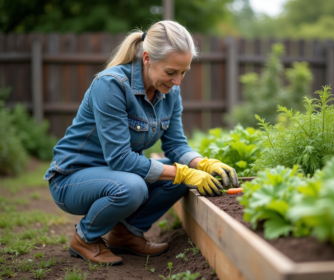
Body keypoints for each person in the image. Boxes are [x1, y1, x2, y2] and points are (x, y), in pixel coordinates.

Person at [43, 20, 239, 266]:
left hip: (116, 175)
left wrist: (203, 164)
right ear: (147, 58)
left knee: (182, 173)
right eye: (171, 72)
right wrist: (183, 173)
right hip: (72, 179)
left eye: (183, 72)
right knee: (135, 186)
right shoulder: (112, 85)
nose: (178, 81)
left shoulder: (170, 92)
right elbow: (119, 158)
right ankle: (85, 238)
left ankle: (125, 234)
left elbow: (176, 145)